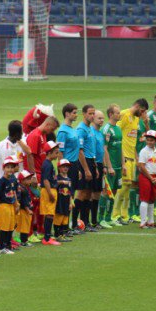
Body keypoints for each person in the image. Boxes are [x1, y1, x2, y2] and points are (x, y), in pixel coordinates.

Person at [113, 99, 149, 224]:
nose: (143, 113)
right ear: (138, 106)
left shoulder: (136, 119)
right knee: (123, 186)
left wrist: (137, 157)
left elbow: (132, 140)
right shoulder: (124, 114)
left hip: (132, 157)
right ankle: (115, 214)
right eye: (142, 111)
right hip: (124, 157)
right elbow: (116, 133)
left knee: (128, 187)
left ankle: (124, 214)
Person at [56, 103, 80, 234]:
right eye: (74, 112)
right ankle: (62, 228)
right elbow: (60, 152)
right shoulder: (63, 131)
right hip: (67, 166)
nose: (76, 115)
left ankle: (67, 226)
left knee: (71, 195)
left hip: (74, 165)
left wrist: (78, 169)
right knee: (66, 197)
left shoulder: (73, 129)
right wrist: (61, 170)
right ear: (67, 114)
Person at [99, 104, 124, 228]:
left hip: (118, 167)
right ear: (111, 114)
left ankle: (109, 218)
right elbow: (104, 149)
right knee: (106, 191)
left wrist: (123, 164)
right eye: (117, 113)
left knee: (114, 191)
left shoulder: (118, 129)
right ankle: (101, 218)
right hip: (111, 167)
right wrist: (109, 166)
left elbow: (120, 147)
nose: (119, 114)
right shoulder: (107, 129)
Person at [75, 104, 98, 232]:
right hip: (84, 163)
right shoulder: (81, 129)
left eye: (93, 113)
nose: (92, 115)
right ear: (84, 114)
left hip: (91, 161)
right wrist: (86, 169)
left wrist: (95, 166)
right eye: (90, 113)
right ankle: (74, 223)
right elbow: (80, 151)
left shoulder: (90, 129)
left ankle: (85, 222)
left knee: (89, 193)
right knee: (82, 192)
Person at [137, 130, 156, 228]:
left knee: (152, 199)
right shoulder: (144, 151)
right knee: (145, 199)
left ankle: (151, 221)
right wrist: (151, 177)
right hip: (146, 177)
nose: (149, 142)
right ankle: (143, 222)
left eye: (152, 140)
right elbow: (141, 166)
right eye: (148, 140)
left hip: (154, 177)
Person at [0, 157, 19, 254]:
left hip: (11, 206)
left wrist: (16, 204)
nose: (10, 169)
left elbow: (14, 192)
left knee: (10, 226)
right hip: (4, 205)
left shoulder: (12, 180)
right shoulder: (2, 181)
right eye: (8, 167)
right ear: (3, 168)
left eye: (12, 167)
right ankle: (2, 247)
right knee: (4, 227)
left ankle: (8, 245)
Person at [40, 141, 62, 245]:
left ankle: (47, 236)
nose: (57, 155)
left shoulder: (48, 163)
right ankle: (47, 238)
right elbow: (45, 180)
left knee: (50, 214)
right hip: (49, 191)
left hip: (50, 190)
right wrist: (50, 193)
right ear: (49, 153)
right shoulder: (47, 164)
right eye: (56, 152)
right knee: (49, 214)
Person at [91, 110, 106, 229]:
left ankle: (94, 220)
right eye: (99, 118)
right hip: (94, 164)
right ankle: (89, 220)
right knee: (90, 193)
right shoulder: (91, 133)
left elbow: (102, 151)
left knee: (97, 193)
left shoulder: (100, 133)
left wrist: (104, 166)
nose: (101, 120)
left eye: (102, 118)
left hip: (100, 165)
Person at [54, 159, 73, 242]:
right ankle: (57, 234)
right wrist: (61, 182)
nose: (65, 168)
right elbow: (54, 184)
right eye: (63, 166)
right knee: (58, 218)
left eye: (67, 166)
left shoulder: (69, 179)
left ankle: (62, 234)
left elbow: (70, 192)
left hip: (66, 202)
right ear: (59, 168)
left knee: (65, 219)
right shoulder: (57, 178)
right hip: (59, 202)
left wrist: (71, 203)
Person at [16, 170, 34, 247]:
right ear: (22, 180)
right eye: (28, 179)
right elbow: (23, 201)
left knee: (26, 226)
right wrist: (28, 210)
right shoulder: (22, 189)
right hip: (24, 211)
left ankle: (24, 240)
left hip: (26, 210)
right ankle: (24, 241)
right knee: (24, 226)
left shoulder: (25, 188)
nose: (30, 180)